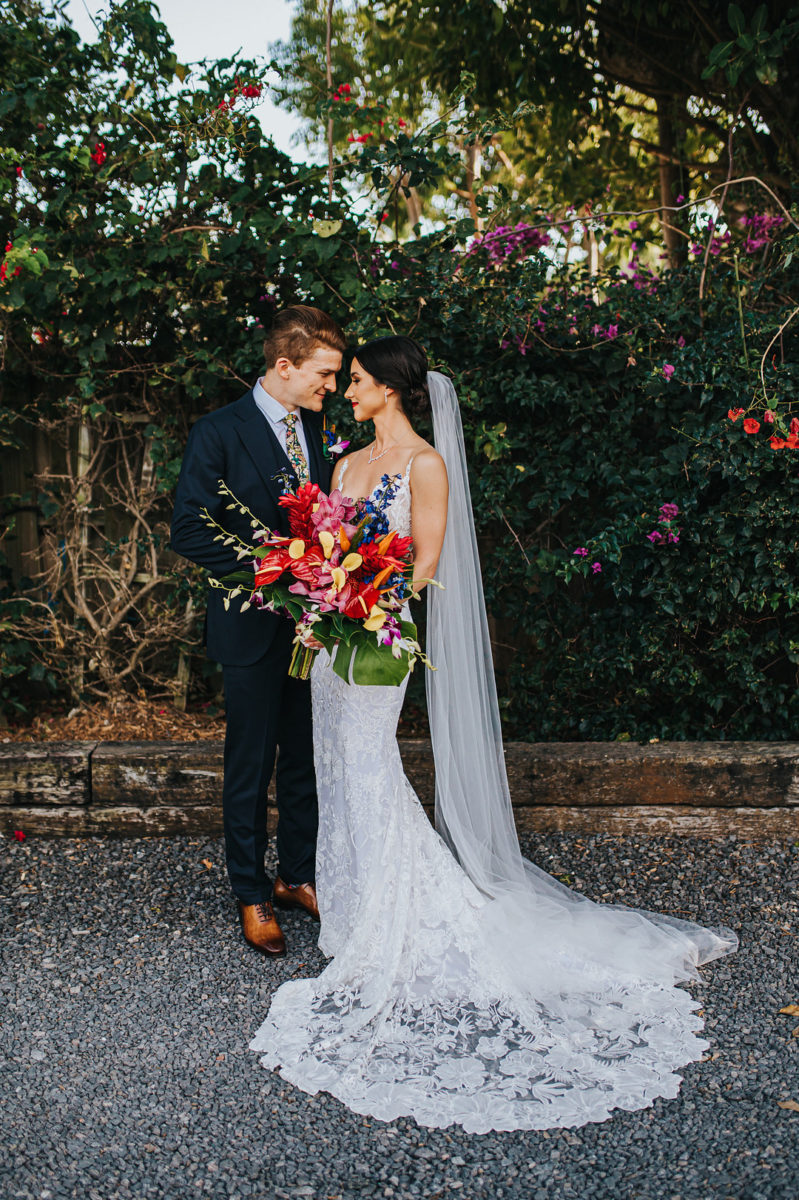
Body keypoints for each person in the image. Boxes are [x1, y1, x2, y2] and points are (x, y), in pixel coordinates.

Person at [249, 335, 738, 1133]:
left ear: (394, 390)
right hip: (333, 635)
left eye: (361, 381)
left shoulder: (425, 466)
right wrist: (320, 594)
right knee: (331, 762)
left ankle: (397, 915)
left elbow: (424, 562)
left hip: (379, 632)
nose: (349, 391)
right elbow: (326, 542)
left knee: (368, 763)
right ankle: (349, 907)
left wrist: (364, 602)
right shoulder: (341, 466)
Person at [171, 305, 346, 957]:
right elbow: (187, 526)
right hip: (249, 627)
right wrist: (273, 570)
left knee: (305, 758)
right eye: (323, 374)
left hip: (317, 627)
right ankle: (250, 892)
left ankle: (295, 876)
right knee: (250, 764)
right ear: (285, 365)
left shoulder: (322, 431)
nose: (330, 386)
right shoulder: (217, 431)